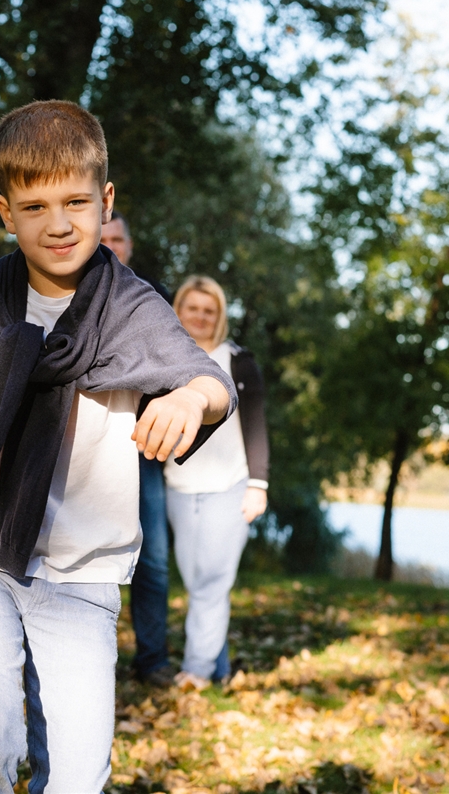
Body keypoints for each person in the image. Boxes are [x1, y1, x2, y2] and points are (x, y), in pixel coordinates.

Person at [0, 100, 237, 793]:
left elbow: (211, 384)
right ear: (4, 210)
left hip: (84, 573)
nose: (58, 223)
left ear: (106, 202)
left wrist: (186, 398)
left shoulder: (134, 309)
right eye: (35, 205)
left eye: (76, 201)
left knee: (79, 774)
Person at [162, 275, 269, 692]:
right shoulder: (165, 357)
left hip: (231, 484)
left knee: (212, 582)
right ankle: (220, 667)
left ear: (219, 316)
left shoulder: (238, 360)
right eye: (193, 309)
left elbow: (256, 424)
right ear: (179, 311)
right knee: (197, 581)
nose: (201, 317)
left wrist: (258, 484)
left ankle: (198, 671)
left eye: (210, 311)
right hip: (179, 485)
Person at [100, 212, 178, 687]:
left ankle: (152, 660)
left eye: (117, 238)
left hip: (141, 449)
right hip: (80, 453)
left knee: (152, 560)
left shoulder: (147, 305)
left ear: (129, 246)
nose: (109, 244)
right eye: (103, 236)